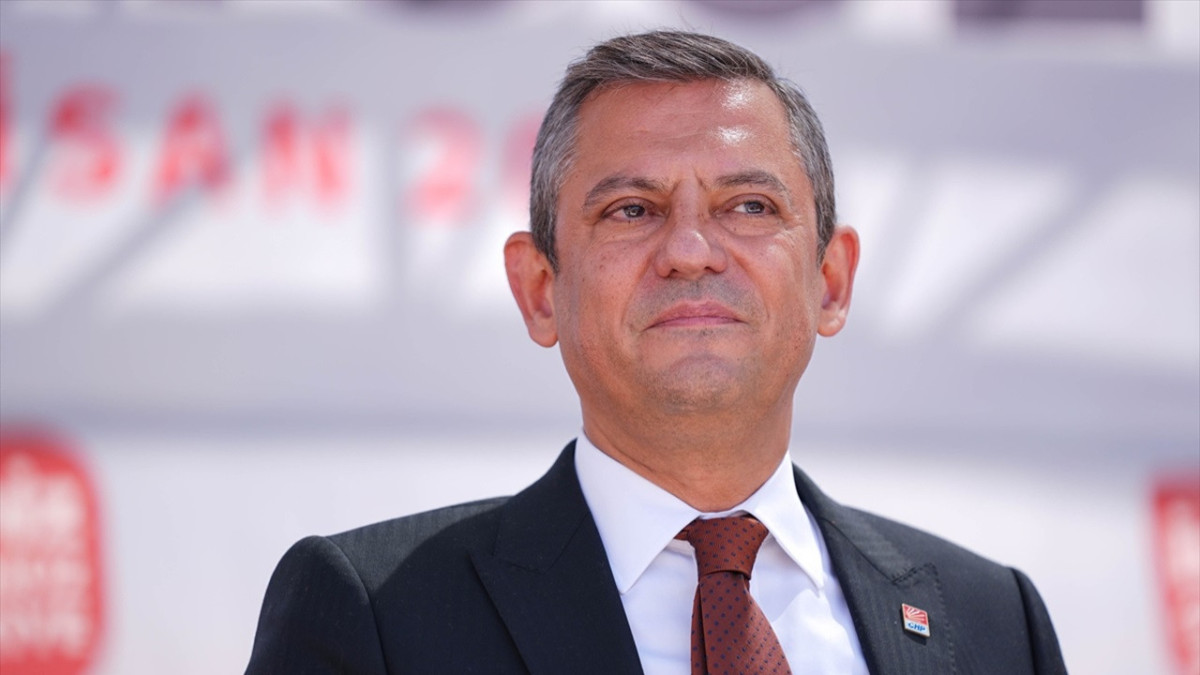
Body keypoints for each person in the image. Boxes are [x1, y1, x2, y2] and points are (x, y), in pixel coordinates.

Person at [246, 31, 1067, 675]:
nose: (691, 251)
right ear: (539, 289)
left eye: (749, 205)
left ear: (830, 280)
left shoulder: (993, 621)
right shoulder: (379, 612)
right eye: (632, 210)